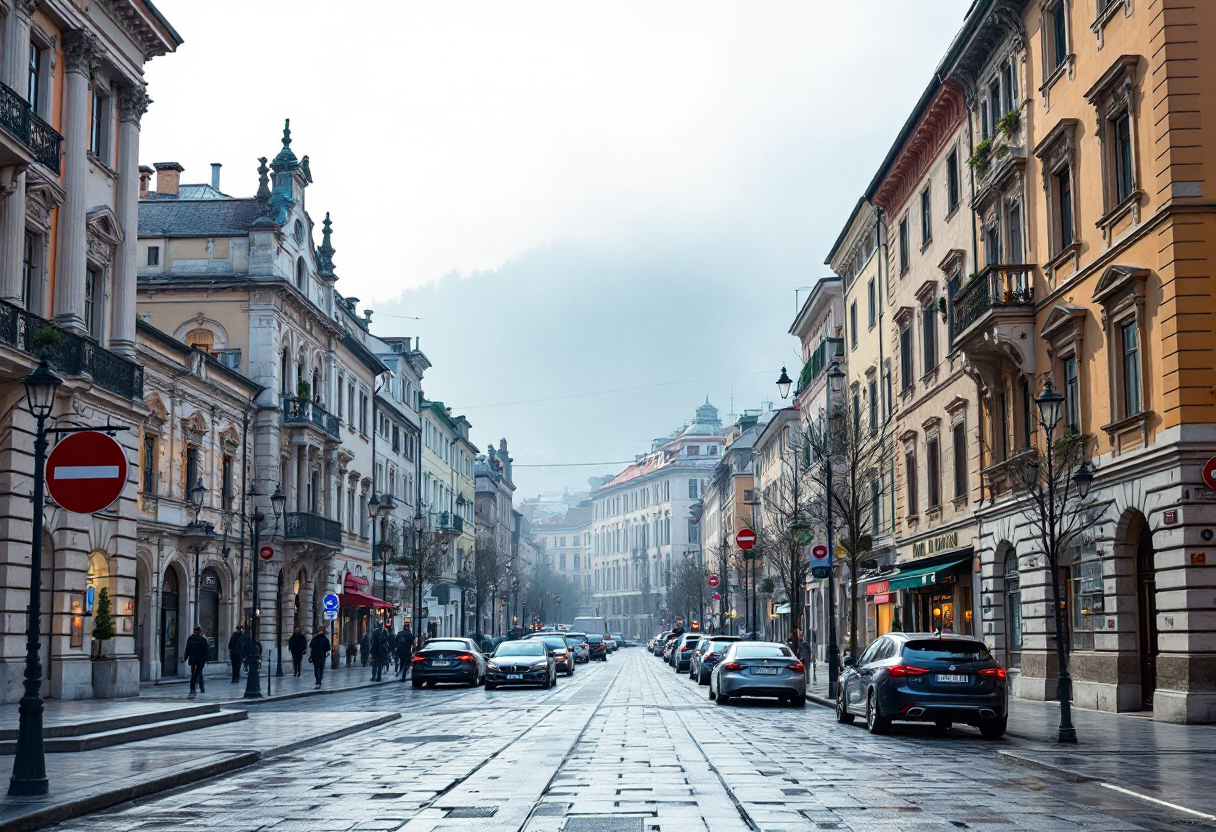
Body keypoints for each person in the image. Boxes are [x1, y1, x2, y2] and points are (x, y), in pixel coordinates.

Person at [183, 625, 210, 697]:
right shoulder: (203, 639)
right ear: (200, 632)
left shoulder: (190, 638)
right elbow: (206, 650)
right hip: (200, 659)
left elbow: (187, 649)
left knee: (194, 673)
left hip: (193, 659)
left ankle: (194, 688)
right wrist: (207, 659)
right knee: (198, 673)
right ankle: (199, 688)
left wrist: (185, 658)